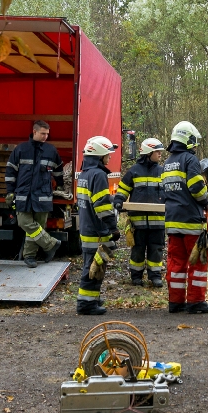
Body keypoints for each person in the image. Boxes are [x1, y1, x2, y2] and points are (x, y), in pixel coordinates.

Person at [162, 121, 208, 314]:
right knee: (198, 261)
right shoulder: (190, 160)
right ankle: (196, 301)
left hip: (172, 222)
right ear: (188, 139)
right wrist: (207, 202)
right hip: (191, 221)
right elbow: (196, 187)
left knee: (176, 263)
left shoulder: (167, 163)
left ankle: (175, 302)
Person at [5, 120, 63, 268]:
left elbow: (59, 171)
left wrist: (60, 185)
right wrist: (10, 191)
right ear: (34, 131)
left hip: (43, 196)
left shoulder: (51, 150)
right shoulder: (21, 149)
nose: (45, 137)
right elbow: (11, 171)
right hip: (23, 195)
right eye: (43, 133)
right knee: (24, 223)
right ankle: (50, 244)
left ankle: (30, 257)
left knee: (37, 228)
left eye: (47, 134)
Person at [75, 135, 119, 315]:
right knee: (95, 267)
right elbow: (101, 206)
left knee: (92, 265)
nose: (110, 157)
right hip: (97, 231)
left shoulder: (85, 173)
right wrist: (112, 227)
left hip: (87, 228)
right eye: (108, 154)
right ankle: (86, 304)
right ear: (100, 155)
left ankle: (92, 298)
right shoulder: (99, 175)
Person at [114, 137, 166, 287]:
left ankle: (155, 276)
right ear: (148, 153)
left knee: (156, 249)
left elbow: (170, 193)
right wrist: (119, 200)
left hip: (158, 222)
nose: (160, 154)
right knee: (137, 249)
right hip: (138, 222)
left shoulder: (162, 172)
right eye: (157, 151)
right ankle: (136, 276)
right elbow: (123, 189)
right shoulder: (134, 171)